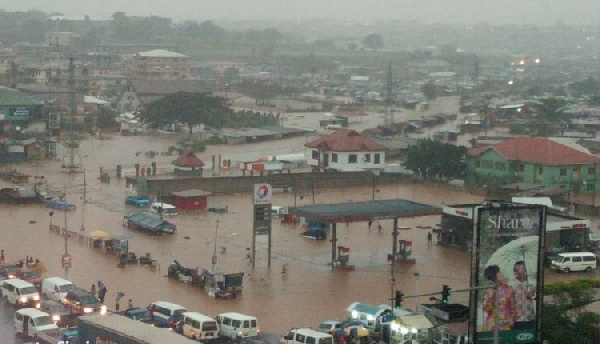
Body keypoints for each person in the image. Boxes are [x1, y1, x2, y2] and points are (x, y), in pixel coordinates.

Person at [483, 265, 516, 331]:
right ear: (495, 279)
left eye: (503, 276)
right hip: (493, 322)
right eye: (500, 277)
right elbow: (487, 309)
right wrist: (490, 297)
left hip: (506, 321)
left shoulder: (509, 289)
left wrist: (512, 318)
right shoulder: (490, 290)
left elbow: (513, 306)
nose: (503, 278)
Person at [510, 261, 536, 329]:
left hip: (530, 318)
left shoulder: (532, 282)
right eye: (514, 270)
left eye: (517, 270)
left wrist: (533, 294)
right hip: (517, 319)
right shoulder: (511, 284)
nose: (515, 272)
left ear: (525, 270)